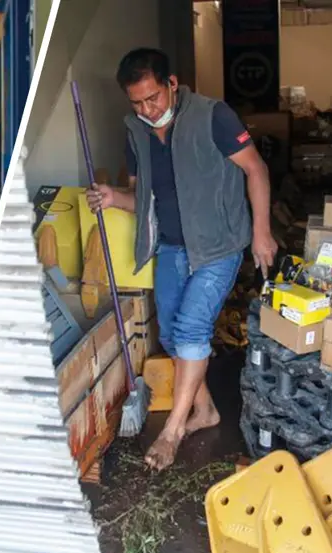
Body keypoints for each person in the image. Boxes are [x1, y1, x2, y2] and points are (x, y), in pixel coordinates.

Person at [86, 48, 276, 472]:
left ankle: (172, 431)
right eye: (136, 102)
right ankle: (205, 411)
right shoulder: (135, 132)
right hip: (171, 245)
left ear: (172, 84)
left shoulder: (214, 116)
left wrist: (261, 232)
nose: (146, 108)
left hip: (218, 245)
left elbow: (256, 170)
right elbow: (146, 198)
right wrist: (114, 197)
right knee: (173, 337)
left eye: (152, 97)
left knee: (192, 328)